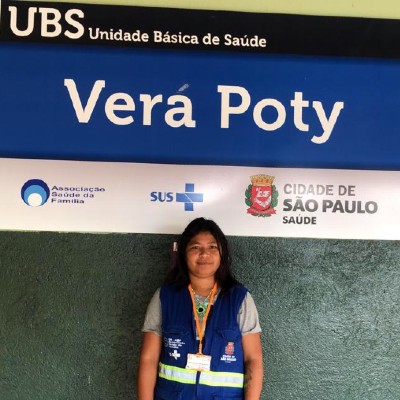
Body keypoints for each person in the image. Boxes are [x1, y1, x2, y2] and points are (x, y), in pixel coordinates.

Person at [137, 217, 263, 400]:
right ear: (183, 254)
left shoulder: (240, 298)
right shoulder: (165, 297)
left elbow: (254, 360)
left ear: (222, 253)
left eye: (212, 247)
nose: (204, 254)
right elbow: (148, 360)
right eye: (195, 247)